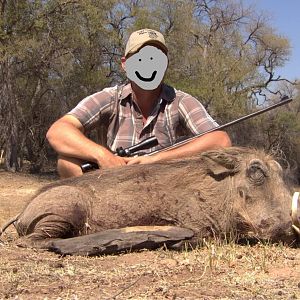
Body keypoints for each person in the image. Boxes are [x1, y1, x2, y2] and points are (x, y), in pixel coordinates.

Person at [46, 28, 231, 179]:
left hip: (165, 182)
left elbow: (221, 140)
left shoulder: (180, 100)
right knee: (66, 162)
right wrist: (104, 156)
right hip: (113, 181)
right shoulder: (110, 97)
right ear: (125, 64)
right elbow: (58, 132)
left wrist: (157, 159)